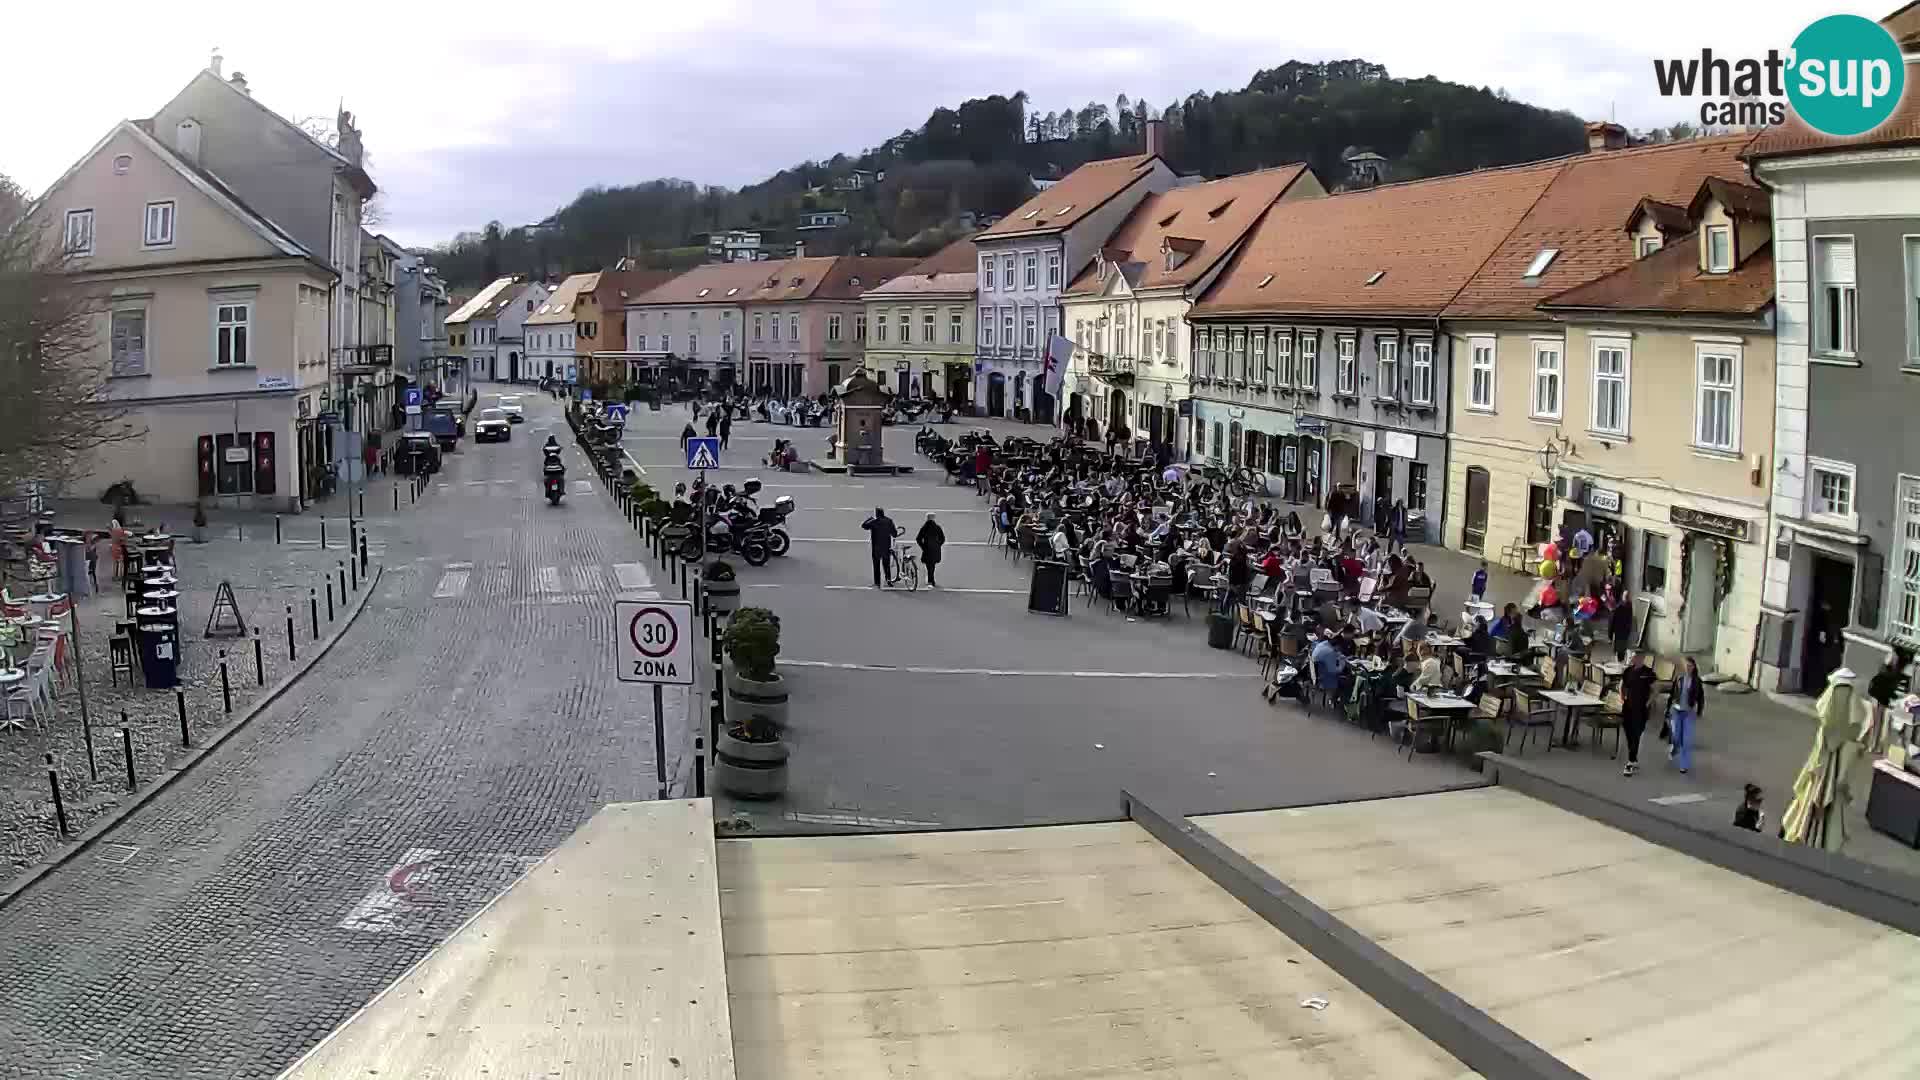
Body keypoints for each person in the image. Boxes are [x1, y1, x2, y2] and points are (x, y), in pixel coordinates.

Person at [1619, 652, 1658, 776]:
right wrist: (1622, 696)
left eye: (1635, 657)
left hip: (1641, 709)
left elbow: (1656, 689)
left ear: (1642, 658)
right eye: (1632, 656)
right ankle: (1634, 758)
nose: (1633, 658)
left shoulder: (1648, 673)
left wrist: (1648, 703)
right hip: (1628, 707)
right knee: (1629, 732)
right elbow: (1622, 684)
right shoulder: (1628, 671)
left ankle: (1630, 762)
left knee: (1637, 733)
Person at [1667, 656, 1705, 773]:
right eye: (1686, 666)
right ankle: (1674, 748)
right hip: (1676, 711)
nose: (1688, 668)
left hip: (1688, 712)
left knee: (1687, 740)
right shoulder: (1679, 678)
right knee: (1676, 737)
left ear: (1694, 667)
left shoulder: (1697, 681)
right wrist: (1668, 709)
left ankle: (1684, 765)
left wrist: (1699, 711)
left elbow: (1701, 698)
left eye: (1690, 666)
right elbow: (1672, 694)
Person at [862, 508, 900, 588]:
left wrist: (870, 519)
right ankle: (888, 580)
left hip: (876, 548)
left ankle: (877, 583)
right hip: (886, 547)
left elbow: (864, 526)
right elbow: (894, 534)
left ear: (876, 514)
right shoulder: (889, 521)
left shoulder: (874, 522)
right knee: (886, 565)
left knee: (876, 566)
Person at [916, 514, 946, 588]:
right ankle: (931, 579)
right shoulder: (938, 527)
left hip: (927, 549)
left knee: (929, 565)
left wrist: (923, 547)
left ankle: (930, 580)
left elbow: (918, 539)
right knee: (932, 565)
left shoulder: (924, 528)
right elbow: (942, 539)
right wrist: (938, 545)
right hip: (935, 550)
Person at [1608, 592, 1635, 664]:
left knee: (1620, 650)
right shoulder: (1628, 607)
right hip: (1623, 632)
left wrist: (1610, 634)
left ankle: (1619, 663)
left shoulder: (1620, 607)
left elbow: (1612, 621)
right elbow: (1613, 621)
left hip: (1621, 632)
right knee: (1621, 650)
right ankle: (1620, 662)